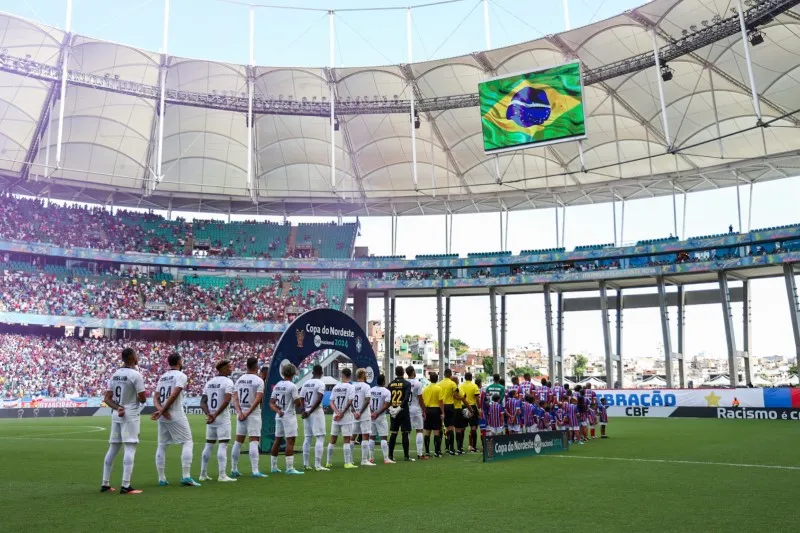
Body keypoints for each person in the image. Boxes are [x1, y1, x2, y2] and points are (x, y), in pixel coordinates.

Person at [101, 347, 146, 494]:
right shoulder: (135, 375)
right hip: (131, 414)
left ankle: (105, 484)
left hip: (117, 414)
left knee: (113, 448)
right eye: (136, 354)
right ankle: (126, 485)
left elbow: (107, 399)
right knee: (130, 447)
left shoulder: (115, 374)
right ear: (132, 357)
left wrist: (118, 407)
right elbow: (142, 398)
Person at [152, 353, 200, 487]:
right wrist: (163, 410)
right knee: (187, 442)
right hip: (175, 413)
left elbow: (155, 397)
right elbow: (174, 394)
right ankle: (186, 476)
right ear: (179, 362)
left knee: (162, 445)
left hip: (163, 415)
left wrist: (160, 410)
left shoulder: (162, 377)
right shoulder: (181, 375)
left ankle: (161, 479)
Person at [199, 360, 236, 482]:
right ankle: (222, 475)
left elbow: (203, 402)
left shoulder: (209, 382)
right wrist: (215, 414)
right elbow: (226, 401)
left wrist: (209, 414)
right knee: (223, 445)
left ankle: (203, 474)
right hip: (222, 418)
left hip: (211, 419)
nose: (231, 369)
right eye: (229, 367)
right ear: (223, 369)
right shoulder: (228, 382)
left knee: (209, 445)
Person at [231, 357, 267, 478]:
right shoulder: (259, 380)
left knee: (238, 441)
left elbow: (235, 397)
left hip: (241, 414)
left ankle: (233, 468)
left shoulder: (239, 380)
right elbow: (258, 399)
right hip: (253, 414)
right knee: (254, 441)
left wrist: (240, 412)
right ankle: (255, 471)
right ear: (256, 366)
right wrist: (248, 412)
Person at [269, 362, 304, 475]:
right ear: (293, 373)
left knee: (277, 440)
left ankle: (273, 467)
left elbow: (271, 403)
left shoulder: (278, 385)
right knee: (290, 440)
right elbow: (298, 403)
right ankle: (289, 468)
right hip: (289, 416)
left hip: (279, 416)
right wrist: (298, 400)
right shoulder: (292, 386)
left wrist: (278, 411)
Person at [299, 364, 328, 471]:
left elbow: (301, 398)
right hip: (315, 412)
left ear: (312, 372)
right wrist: (310, 411)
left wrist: (303, 410)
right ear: (321, 373)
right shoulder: (320, 383)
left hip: (306, 412)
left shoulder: (306, 383)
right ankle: (318, 465)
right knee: (320, 437)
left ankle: (306, 464)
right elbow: (319, 398)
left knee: (307, 438)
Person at [327, 368, 357, 469]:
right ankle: (347, 463)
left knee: (332, 440)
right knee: (346, 440)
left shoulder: (336, 387)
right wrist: (342, 413)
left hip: (335, 417)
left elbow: (331, 402)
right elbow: (350, 402)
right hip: (346, 417)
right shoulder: (351, 387)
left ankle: (328, 462)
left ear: (342, 375)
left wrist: (337, 413)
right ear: (350, 375)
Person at [387, 365, 413, 462]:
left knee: (393, 433)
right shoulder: (407, 383)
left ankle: (390, 455)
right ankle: (406, 456)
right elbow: (406, 398)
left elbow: (388, 398)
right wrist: (400, 407)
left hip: (393, 411)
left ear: (396, 373)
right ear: (403, 372)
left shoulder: (391, 384)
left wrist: (391, 408)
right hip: (403, 411)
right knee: (405, 433)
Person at [351, 368, 374, 467]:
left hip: (354, 415)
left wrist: (354, 412)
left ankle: (349, 459)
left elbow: (350, 401)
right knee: (365, 436)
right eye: (366, 374)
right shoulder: (366, 386)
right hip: (364, 415)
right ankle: (364, 460)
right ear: (363, 375)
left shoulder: (352, 386)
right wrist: (360, 412)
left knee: (352, 437)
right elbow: (367, 400)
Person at [369, 374, 393, 464]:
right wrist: (377, 413)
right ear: (383, 381)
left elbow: (368, 402)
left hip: (371, 416)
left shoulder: (371, 390)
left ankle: (371, 458)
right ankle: (386, 458)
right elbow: (386, 405)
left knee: (371, 437)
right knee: (384, 437)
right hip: (380, 416)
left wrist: (372, 412)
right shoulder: (386, 391)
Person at [405, 366, 426, 460]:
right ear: (413, 372)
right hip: (416, 408)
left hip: (406, 409)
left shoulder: (405, 383)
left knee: (408, 431)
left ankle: (407, 453)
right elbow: (420, 398)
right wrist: (424, 410)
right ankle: (420, 453)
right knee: (419, 430)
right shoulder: (418, 383)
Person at [422, 372, 444, 458]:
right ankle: (436, 452)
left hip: (427, 410)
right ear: (437, 379)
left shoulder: (425, 389)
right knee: (436, 431)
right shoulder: (439, 388)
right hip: (436, 410)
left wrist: (424, 412)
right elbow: (441, 401)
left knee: (427, 432)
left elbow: (423, 402)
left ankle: (427, 452)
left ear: (429, 379)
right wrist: (443, 412)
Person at [458, 372, 480, 453]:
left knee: (462, 428)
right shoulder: (474, 386)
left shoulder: (460, 386)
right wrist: (479, 408)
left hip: (463, 407)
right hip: (472, 407)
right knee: (473, 427)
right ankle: (473, 447)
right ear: (471, 378)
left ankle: (460, 447)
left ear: (464, 378)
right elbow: (477, 398)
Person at [439, 369, 458, 455]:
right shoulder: (452, 383)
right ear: (450, 375)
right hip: (450, 405)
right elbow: (455, 395)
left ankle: (444, 448)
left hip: (441, 406)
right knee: (451, 427)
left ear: (444, 374)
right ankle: (451, 448)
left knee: (444, 427)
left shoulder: (439, 384)